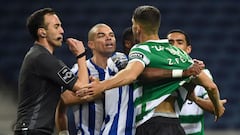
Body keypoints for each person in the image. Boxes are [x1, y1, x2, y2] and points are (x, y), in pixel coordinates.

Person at [81, 5, 224, 135]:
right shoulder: (179, 54)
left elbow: (131, 74)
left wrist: (101, 85)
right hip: (176, 126)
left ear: (137, 28)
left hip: (152, 123)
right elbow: (211, 87)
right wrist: (218, 108)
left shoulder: (142, 49)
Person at [14, 8, 88, 135]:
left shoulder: (37, 56)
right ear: (42, 32)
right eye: (56, 26)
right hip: (33, 130)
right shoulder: (42, 58)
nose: (62, 30)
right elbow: (83, 87)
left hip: (32, 129)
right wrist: (81, 55)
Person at [55, 23, 134, 135]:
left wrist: (100, 91)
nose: (108, 38)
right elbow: (64, 99)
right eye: (101, 35)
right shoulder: (81, 69)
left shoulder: (122, 65)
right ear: (91, 44)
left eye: (111, 35)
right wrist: (63, 132)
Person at [167, 29, 227, 135]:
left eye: (179, 42)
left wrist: (195, 99)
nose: (174, 46)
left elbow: (214, 108)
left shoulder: (202, 75)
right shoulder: (161, 74)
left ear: (188, 49)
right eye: (170, 43)